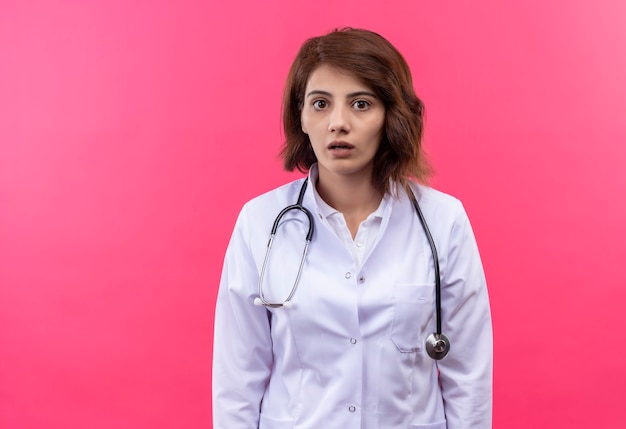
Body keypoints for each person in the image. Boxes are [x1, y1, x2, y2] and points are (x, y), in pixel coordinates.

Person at [212, 28, 492, 429]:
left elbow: (469, 375)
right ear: (301, 116)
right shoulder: (259, 222)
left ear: (391, 115)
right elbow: (237, 377)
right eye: (320, 103)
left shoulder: (443, 221)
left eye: (361, 104)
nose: (338, 123)